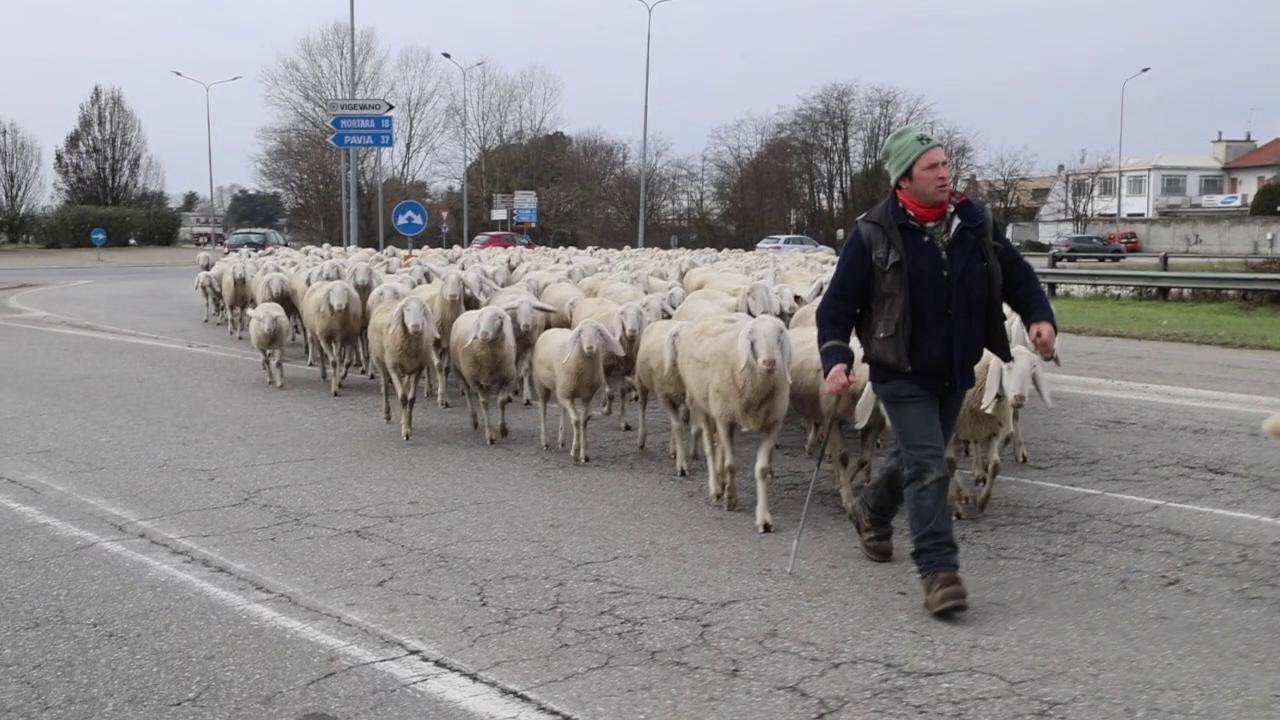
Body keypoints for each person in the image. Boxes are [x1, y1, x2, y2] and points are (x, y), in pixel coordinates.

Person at [815, 125, 1057, 617]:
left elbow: (1016, 274)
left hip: (954, 368)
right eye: (932, 167)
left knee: (913, 456)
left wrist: (1039, 317)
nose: (944, 173)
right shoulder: (873, 232)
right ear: (904, 179)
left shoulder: (974, 223)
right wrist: (835, 357)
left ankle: (872, 510)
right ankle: (938, 572)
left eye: (946, 164)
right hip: (898, 369)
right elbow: (836, 306)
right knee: (930, 464)